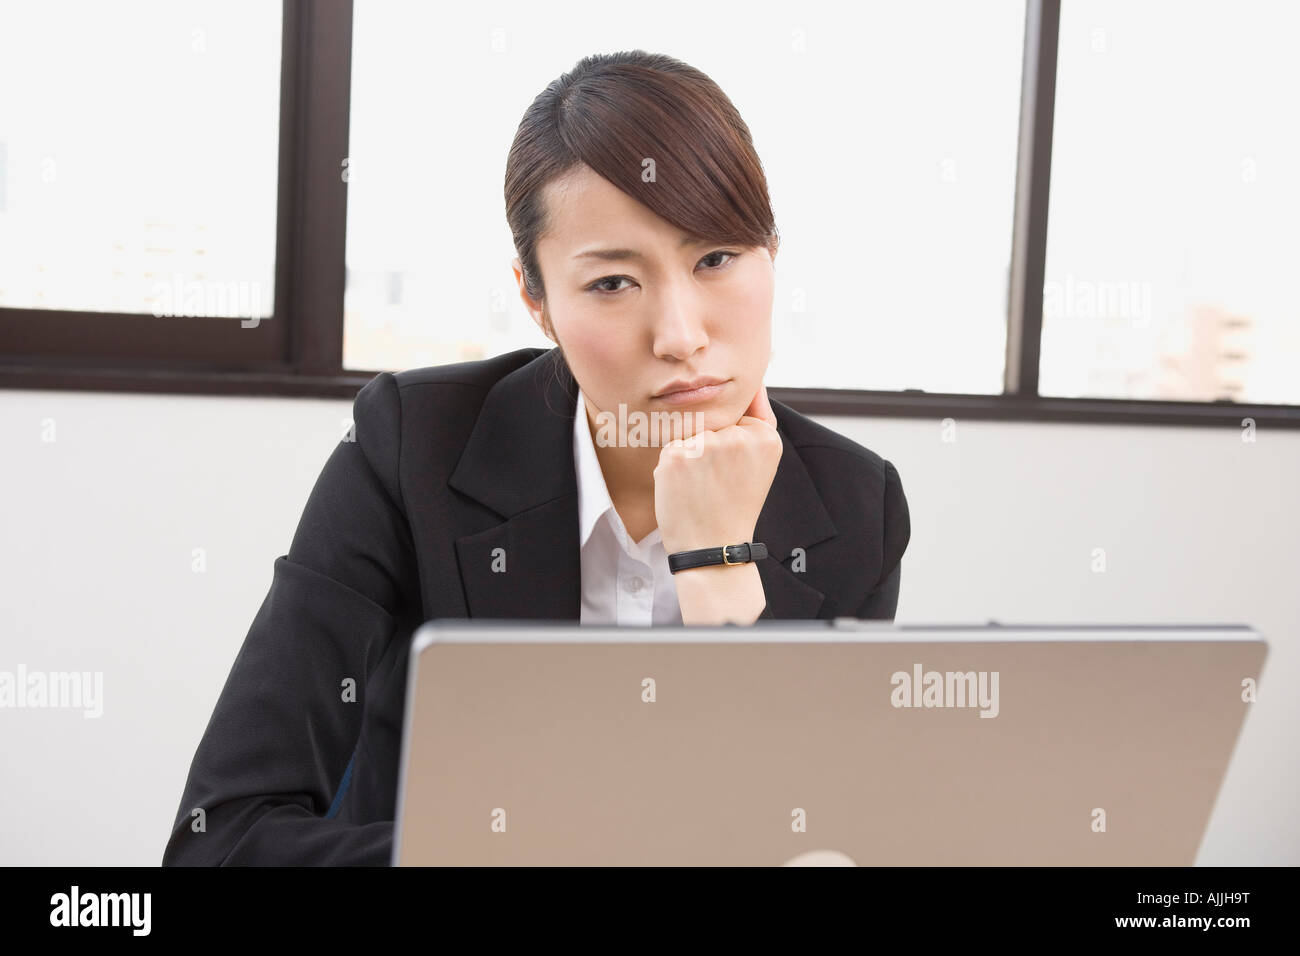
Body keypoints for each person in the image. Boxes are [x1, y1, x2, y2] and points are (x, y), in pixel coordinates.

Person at [162, 49, 910, 866]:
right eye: (614, 283)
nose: (682, 335)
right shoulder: (414, 445)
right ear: (537, 301)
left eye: (716, 260)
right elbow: (222, 839)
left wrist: (718, 562)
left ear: (772, 255)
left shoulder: (854, 507)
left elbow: (786, 839)